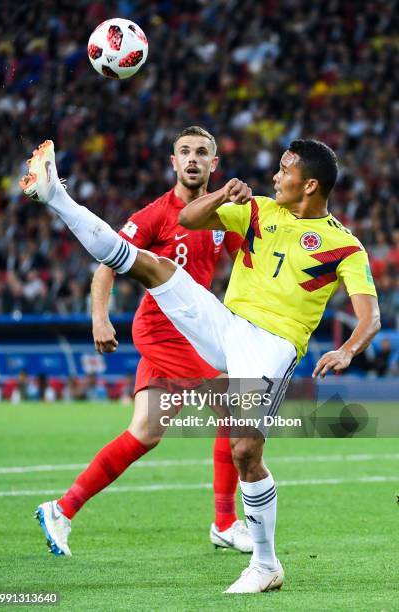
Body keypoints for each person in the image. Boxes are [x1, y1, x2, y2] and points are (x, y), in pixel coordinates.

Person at [21, 137, 380, 594]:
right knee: (150, 266)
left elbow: (371, 316)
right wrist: (222, 194)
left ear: (309, 184)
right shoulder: (258, 210)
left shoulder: (345, 245)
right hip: (225, 325)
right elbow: (188, 217)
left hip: (270, 347)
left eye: (284, 169)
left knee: (245, 451)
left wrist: (347, 348)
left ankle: (264, 562)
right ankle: (58, 198)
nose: (274, 176)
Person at [27, 127, 252, 557]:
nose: (192, 159)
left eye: (201, 153)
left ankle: (62, 508)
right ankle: (225, 522)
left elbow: (247, 262)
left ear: (214, 164)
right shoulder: (153, 216)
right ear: (172, 162)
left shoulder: (221, 214)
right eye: (184, 152)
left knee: (144, 433)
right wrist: (100, 317)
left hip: (193, 330)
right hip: (162, 331)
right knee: (237, 408)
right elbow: (107, 262)